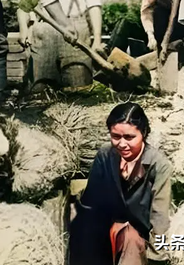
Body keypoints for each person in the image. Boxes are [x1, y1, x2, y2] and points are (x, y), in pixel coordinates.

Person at [69, 102, 172, 265]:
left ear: (143, 133)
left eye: (130, 137)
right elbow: (91, 200)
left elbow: (160, 216)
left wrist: (157, 257)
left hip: (139, 235)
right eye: (116, 136)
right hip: (107, 226)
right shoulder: (105, 154)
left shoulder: (158, 165)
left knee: (130, 238)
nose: (122, 144)